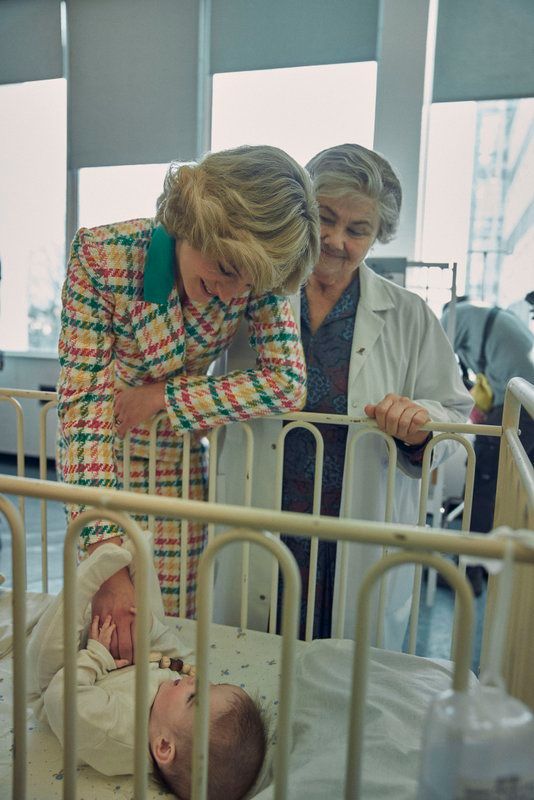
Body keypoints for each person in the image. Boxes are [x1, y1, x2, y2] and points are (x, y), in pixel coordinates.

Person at [56, 144, 320, 663]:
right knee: (102, 626)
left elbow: (287, 382)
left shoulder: (251, 270)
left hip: (179, 463)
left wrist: (164, 396)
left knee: (171, 626)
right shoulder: (104, 256)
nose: (229, 295)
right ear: (193, 223)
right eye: (223, 269)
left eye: (247, 284)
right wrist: (105, 556)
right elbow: (83, 414)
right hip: (100, 461)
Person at [214, 143, 472, 648]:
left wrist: (422, 425)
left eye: (358, 230)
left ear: (378, 236)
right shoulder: (253, 289)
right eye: (325, 219)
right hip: (260, 513)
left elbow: (457, 416)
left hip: (354, 532)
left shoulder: (408, 315)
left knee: (345, 693)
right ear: (304, 212)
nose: (334, 240)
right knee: (244, 679)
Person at [27, 541, 267, 800]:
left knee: (44, 654)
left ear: (164, 746)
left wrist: (96, 656)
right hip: (107, 655)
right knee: (151, 617)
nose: (192, 682)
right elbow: (171, 648)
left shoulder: (118, 735)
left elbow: (61, 698)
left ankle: (91, 574)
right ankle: (132, 558)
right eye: (211, 685)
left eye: (193, 698)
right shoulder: (169, 704)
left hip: (55, 681)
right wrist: (144, 624)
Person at [441, 299, 534, 537]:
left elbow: (433, 358)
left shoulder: (453, 315)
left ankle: (468, 563)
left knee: (481, 477)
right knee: (516, 485)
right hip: (524, 401)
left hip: (518, 403)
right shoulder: (488, 316)